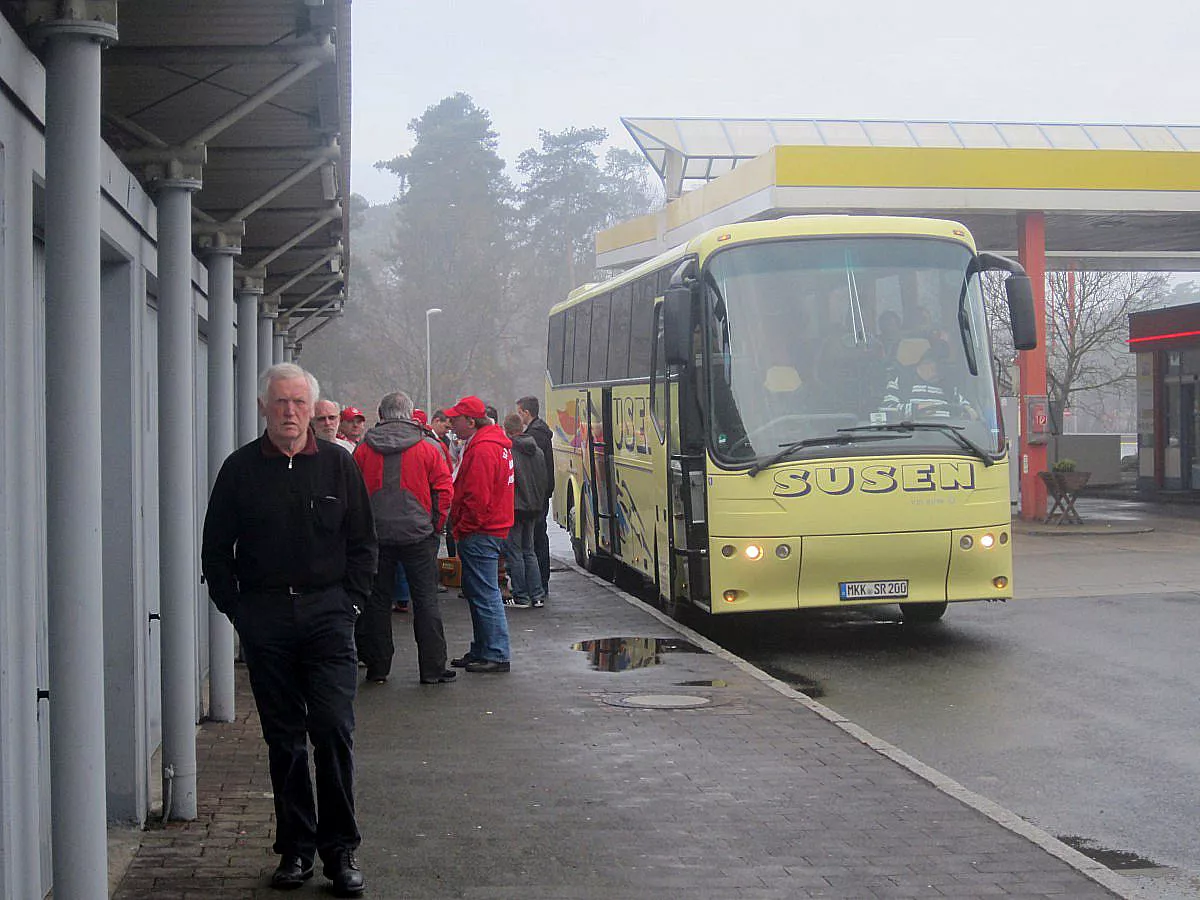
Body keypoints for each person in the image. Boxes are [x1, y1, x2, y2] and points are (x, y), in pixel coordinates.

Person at [201, 363, 376, 896]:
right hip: (267, 619)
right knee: (284, 740)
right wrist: (240, 612)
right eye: (280, 403)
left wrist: (350, 604)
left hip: (328, 615)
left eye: (299, 403)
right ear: (264, 408)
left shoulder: (340, 470)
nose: (290, 412)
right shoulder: (239, 470)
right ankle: (295, 850)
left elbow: (364, 543)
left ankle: (340, 851)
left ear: (313, 409)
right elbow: (215, 551)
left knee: (332, 728)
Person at [352, 391, 456, 685]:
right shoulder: (429, 447)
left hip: (376, 536)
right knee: (425, 601)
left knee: (376, 602)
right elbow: (444, 491)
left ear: (381, 414)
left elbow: (354, 494)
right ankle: (433, 669)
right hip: (419, 535)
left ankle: (377, 666)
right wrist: (436, 526)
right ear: (411, 414)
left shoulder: (363, 449)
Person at [445, 395, 514, 673]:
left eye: (455, 419)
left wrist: (462, 528)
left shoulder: (483, 449)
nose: (451, 423)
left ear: (470, 421)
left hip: (480, 530)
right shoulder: (493, 444)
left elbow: (477, 497)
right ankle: (484, 648)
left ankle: (495, 652)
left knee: (484, 592)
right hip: (489, 528)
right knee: (479, 591)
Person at [502, 413, 549, 609]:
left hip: (515, 507)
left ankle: (521, 596)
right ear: (521, 427)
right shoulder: (537, 452)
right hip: (533, 508)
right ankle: (537, 595)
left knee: (515, 552)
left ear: (507, 430)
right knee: (529, 551)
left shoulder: (509, 452)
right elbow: (543, 480)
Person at [516, 395, 554, 598]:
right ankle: (541, 582)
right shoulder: (541, 432)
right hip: (541, 495)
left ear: (526, 412)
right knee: (539, 538)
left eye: (520, 412)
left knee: (536, 540)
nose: (519, 416)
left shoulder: (534, 436)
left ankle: (540, 583)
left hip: (535, 496)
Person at [880, 341, 976, 421]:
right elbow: (887, 409)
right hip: (910, 438)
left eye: (943, 364)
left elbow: (966, 407)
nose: (942, 368)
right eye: (938, 363)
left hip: (948, 440)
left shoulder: (948, 387)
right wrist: (916, 409)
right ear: (926, 363)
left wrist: (968, 410)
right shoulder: (901, 381)